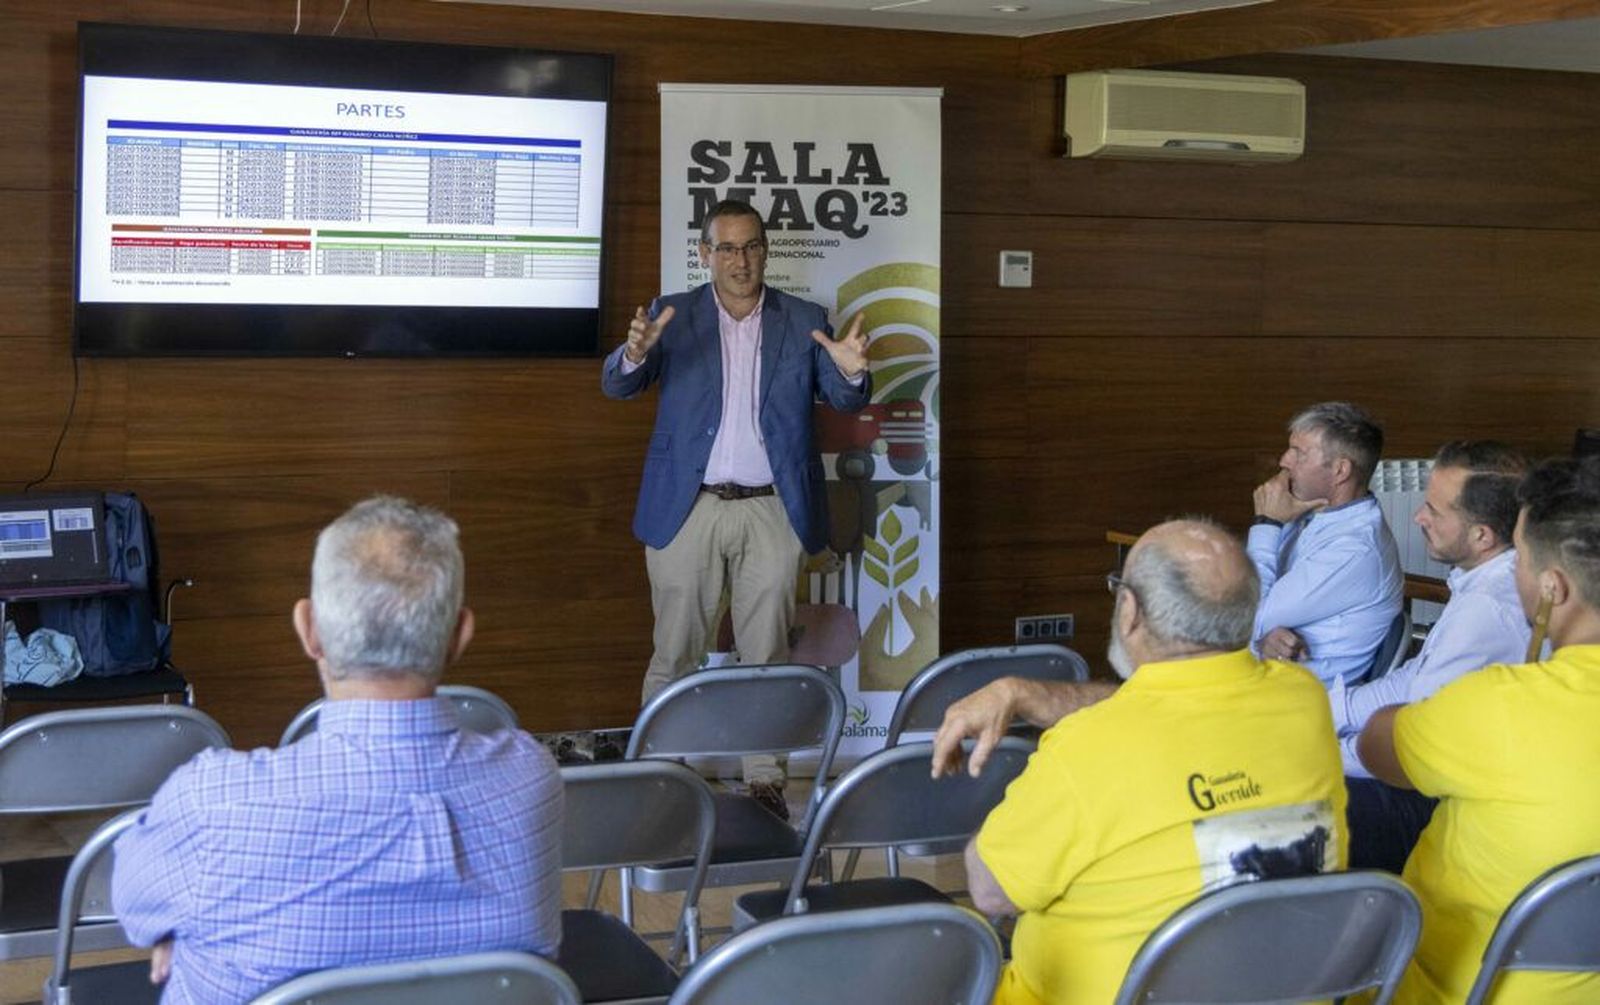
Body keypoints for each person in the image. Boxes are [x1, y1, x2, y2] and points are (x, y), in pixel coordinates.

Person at [112, 497, 563, 1004]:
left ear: (309, 631)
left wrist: (177, 930)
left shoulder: (215, 801)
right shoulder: (531, 778)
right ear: (459, 635)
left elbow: (135, 910)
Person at [933, 519, 1347, 1005]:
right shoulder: (1303, 699)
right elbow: (1176, 704)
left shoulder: (1086, 748)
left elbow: (990, 891)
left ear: (1128, 610)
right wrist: (1026, 694)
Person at [601, 199, 870, 811]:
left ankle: (765, 780)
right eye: (726, 248)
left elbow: (843, 401)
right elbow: (618, 386)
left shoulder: (805, 319)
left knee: (767, 657)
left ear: (765, 251)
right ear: (705, 255)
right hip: (685, 509)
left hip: (772, 511)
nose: (740, 260)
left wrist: (852, 376)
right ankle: (659, 778)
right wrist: (636, 354)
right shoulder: (675, 314)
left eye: (751, 247)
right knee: (674, 651)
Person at [1357, 456, 1600, 1005]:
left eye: (1519, 555)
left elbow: (1378, 746)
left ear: (1552, 588)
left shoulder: (1498, 705)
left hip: (1458, 991)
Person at [1331, 441, 1530, 872]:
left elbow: (1409, 741)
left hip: (1433, 799)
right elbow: (1410, 679)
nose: (1419, 517)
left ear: (1482, 536)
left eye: (1434, 511)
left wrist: (1321, 752)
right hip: (1419, 764)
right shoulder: (1481, 580)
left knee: (1287, 809)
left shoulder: (1488, 611)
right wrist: (1326, 713)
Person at [1250, 401, 1403, 685]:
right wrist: (1261, 639)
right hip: (1267, 679)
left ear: (1340, 471)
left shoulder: (1355, 549)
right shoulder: (1309, 512)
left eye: (1299, 453)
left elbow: (1240, 619)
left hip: (1298, 702)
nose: (1284, 460)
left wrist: (1267, 525)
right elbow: (1251, 620)